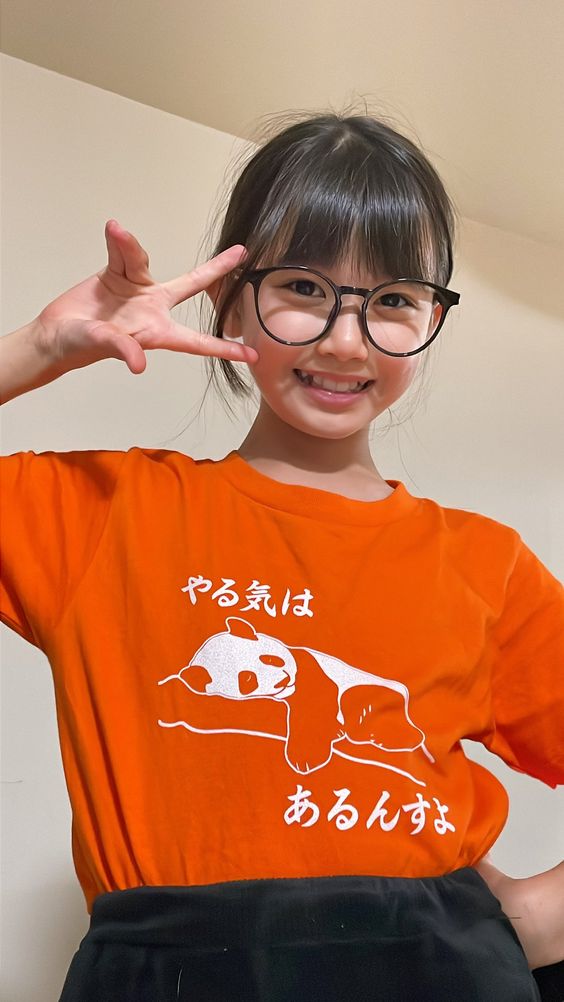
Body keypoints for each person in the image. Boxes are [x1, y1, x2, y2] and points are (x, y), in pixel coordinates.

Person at [1, 114, 562, 1002]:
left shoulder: (484, 564)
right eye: (305, 286)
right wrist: (36, 347)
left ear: (430, 319)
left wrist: (536, 916)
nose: (346, 340)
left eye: (393, 300)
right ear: (229, 298)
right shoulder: (105, 511)